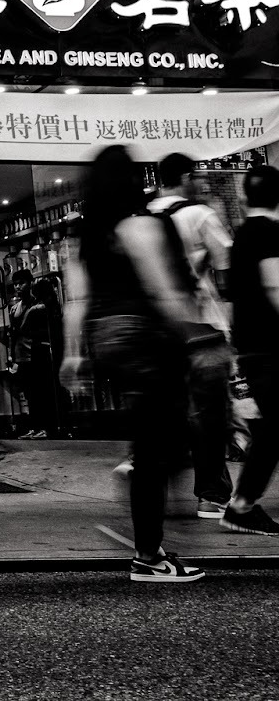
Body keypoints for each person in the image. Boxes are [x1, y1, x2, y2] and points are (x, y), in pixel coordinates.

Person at [62, 145, 205, 583]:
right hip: (144, 334)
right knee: (161, 443)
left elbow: (77, 299)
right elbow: (161, 288)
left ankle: (150, 543)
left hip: (108, 338)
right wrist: (192, 331)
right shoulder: (139, 224)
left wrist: (73, 353)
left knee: (153, 439)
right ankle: (148, 555)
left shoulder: (84, 235)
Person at [147, 152, 235, 520]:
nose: (199, 181)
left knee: (168, 407)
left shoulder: (143, 216)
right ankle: (212, 495)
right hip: (202, 326)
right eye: (196, 175)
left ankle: (147, 470)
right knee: (211, 412)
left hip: (157, 329)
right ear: (184, 176)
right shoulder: (200, 214)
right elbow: (228, 270)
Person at [219, 165, 279, 536]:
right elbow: (275, 287)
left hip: (252, 346)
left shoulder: (239, 236)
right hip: (273, 346)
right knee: (274, 428)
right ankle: (241, 506)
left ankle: (242, 505)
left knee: (273, 426)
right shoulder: (271, 234)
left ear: (243, 197)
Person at [7, 270, 65, 440]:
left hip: (37, 351)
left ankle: (47, 427)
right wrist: (12, 356)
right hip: (22, 354)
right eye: (15, 284)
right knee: (30, 393)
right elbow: (14, 333)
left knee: (42, 391)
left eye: (21, 283)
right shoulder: (15, 308)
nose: (18, 287)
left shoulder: (38, 304)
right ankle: (35, 426)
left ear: (29, 283)